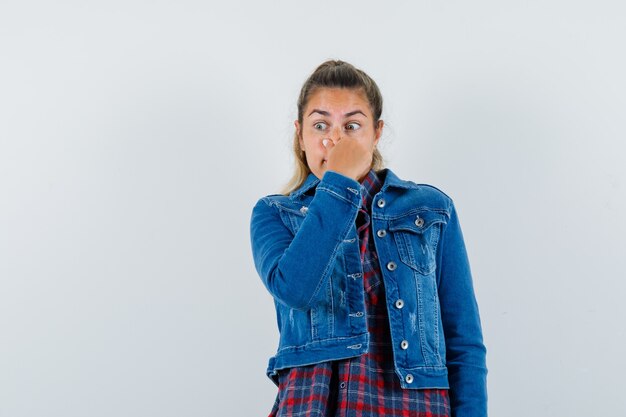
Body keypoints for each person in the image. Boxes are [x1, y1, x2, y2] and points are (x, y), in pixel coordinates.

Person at [249, 60, 487, 417]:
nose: (335, 138)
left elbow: (462, 340)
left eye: (352, 125)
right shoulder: (275, 213)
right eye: (320, 124)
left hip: (414, 406)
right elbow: (296, 289)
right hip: (315, 403)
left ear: (376, 134)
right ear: (301, 135)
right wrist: (339, 183)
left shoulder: (432, 209)